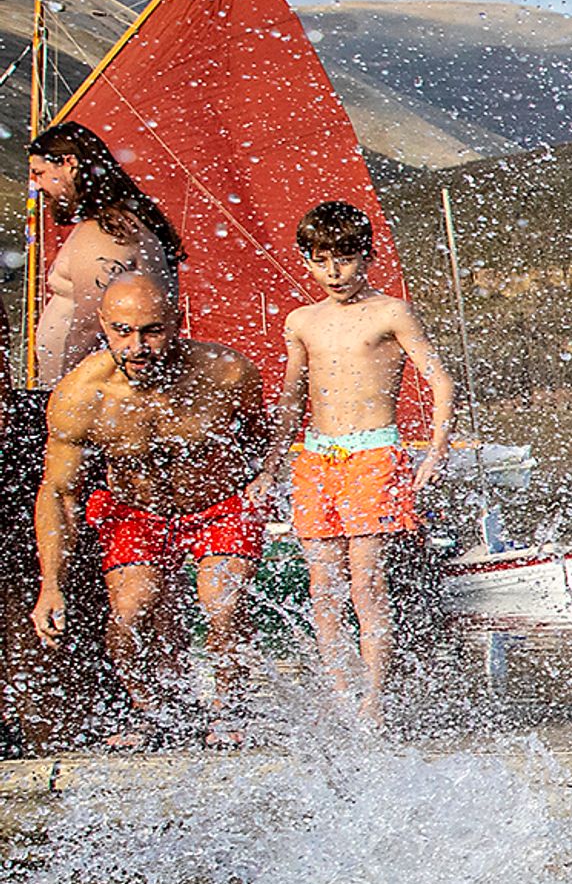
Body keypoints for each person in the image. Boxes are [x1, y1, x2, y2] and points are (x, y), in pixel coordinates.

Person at [30, 273, 275, 746]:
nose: (137, 345)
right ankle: (152, 711)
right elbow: (59, 493)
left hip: (217, 504)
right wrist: (51, 585)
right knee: (130, 610)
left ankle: (231, 708)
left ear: (176, 322)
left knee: (222, 604)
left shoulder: (226, 372)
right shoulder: (81, 396)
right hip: (135, 512)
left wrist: (265, 481)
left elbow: (263, 441)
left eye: (152, 330)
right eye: (122, 331)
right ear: (102, 325)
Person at [276, 197, 454, 722]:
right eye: (320, 259)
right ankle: (340, 694)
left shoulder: (390, 312)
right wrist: (270, 463)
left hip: (373, 453)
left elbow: (441, 382)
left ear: (365, 257)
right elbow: (292, 398)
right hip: (315, 456)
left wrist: (436, 451)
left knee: (365, 584)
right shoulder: (302, 321)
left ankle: (375, 698)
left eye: (345, 258)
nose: (334, 271)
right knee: (322, 587)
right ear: (307, 260)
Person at [23, 122, 180, 392]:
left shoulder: (105, 232)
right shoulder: (120, 222)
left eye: (40, 173)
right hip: (103, 392)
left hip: (92, 397)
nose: (36, 186)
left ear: (69, 163)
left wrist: (64, 393)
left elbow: (90, 324)